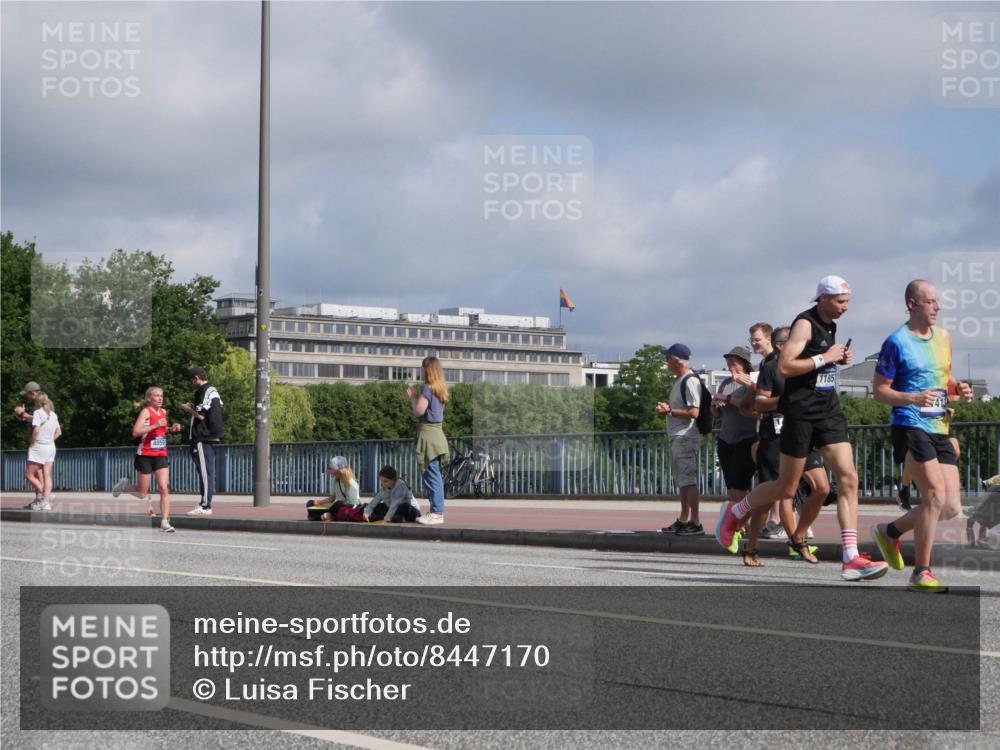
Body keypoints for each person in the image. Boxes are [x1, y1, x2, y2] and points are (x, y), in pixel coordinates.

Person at [716, 275, 889, 581]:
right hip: (800, 414)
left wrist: (834, 360)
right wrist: (825, 357)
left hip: (828, 411)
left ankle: (850, 557)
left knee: (848, 479)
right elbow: (785, 366)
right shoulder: (804, 324)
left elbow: (817, 365)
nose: (846, 308)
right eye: (840, 301)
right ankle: (737, 511)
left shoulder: (830, 324)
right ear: (823, 298)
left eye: (848, 301)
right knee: (786, 487)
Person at [871, 280, 973, 592]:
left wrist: (959, 388)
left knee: (951, 507)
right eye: (929, 301)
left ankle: (890, 531)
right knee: (933, 495)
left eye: (937, 301)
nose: (937, 307)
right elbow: (879, 392)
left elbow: (943, 376)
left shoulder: (944, 338)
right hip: (909, 423)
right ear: (912, 304)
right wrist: (913, 398)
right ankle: (921, 572)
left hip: (939, 425)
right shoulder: (896, 342)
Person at [751, 326, 827, 564]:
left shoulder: (807, 369)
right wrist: (786, 401)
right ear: (782, 346)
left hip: (804, 434)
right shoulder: (771, 369)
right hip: (775, 437)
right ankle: (752, 547)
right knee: (778, 494)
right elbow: (760, 403)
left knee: (822, 488)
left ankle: (798, 536)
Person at [111, 386, 182, 532]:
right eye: (156, 396)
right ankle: (124, 486)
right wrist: (155, 424)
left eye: (161, 395)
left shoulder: (163, 412)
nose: (160, 398)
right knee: (142, 493)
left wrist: (171, 429)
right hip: (145, 455)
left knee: (164, 488)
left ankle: (164, 522)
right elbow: (136, 432)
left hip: (161, 454)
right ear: (149, 398)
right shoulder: (146, 412)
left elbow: (161, 430)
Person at [711, 347, 759, 559]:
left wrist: (728, 399)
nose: (731, 365)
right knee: (732, 487)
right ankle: (739, 525)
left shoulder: (752, 381)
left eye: (734, 361)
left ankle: (738, 526)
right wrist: (715, 402)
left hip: (746, 439)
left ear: (744, 362)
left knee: (741, 485)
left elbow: (748, 406)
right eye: (729, 361)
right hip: (725, 438)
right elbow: (714, 411)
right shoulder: (725, 383)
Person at [655, 343, 705, 535]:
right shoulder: (680, 380)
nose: (666, 362)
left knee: (688, 480)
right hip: (678, 436)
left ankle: (696, 521)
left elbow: (694, 412)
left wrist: (669, 411)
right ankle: (684, 519)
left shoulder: (690, 381)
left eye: (667, 358)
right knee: (682, 480)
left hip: (685, 437)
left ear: (676, 360)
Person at [411, 356, 450, 526]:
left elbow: (419, 411)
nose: (421, 371)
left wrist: (412, 397)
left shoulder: (427, 388)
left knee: (431, 475)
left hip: (428, 435)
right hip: (437, 435)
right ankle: (436, 510)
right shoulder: (439, 389)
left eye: (422, 368)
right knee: (435, 475)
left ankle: (437, 512)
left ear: (427, 370)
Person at [181, 367, 223, 516]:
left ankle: (205, 505)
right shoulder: (213, 391)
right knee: (207, 472)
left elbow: (201, 416)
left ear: (197, 378)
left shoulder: (202, 391)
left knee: (205, 472)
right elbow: (210, 410)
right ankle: (205, 503)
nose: (192, 383)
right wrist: (194, 407)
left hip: (202, 437)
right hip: (211, 436)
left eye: (192, 380)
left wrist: (188, 409)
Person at [24, 392, 62, 510]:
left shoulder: (37, 413)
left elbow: (36, 430)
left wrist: (32, 443)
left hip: (39, 447)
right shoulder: (53, 414)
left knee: (29, 475)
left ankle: (45, 495)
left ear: (37, 402)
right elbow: (59, 432)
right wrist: (49, 440)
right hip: (51, 447)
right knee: (46, 474)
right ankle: (46, 502)